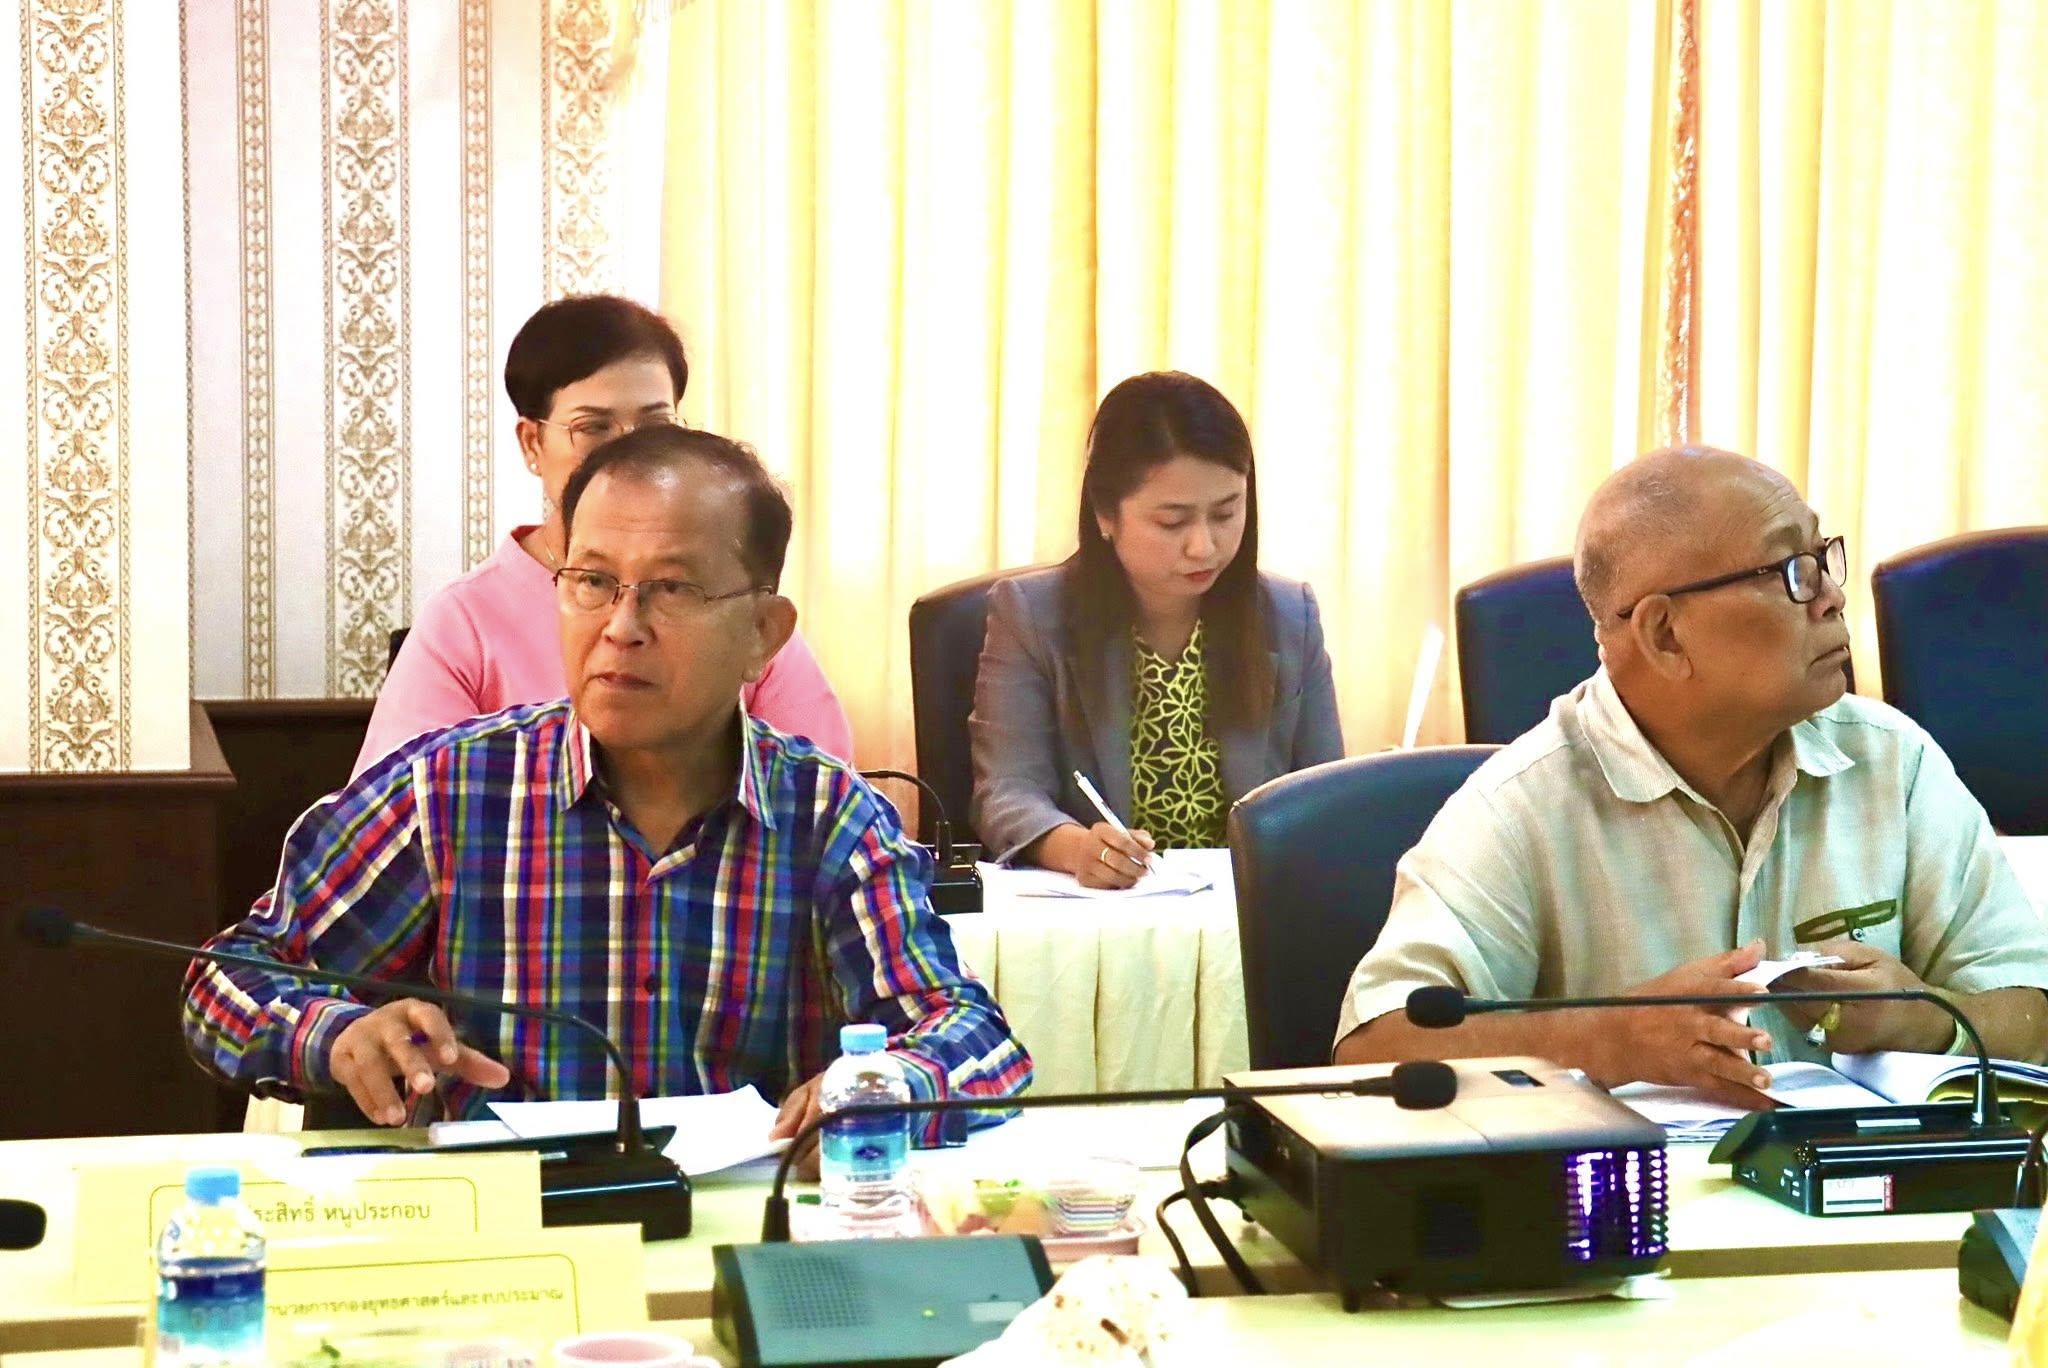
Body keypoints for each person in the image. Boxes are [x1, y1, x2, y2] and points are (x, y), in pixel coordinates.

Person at [185, 425, 1029, 1167]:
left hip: (740, 1231)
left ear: (762, 635)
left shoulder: (827, 817)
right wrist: (335, 1035)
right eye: (591, 581)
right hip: (505, 1233)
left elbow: (973, 1038)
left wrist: (891, 1081)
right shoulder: (448, 792)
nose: (621, 627)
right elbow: (225, 984)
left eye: (674, 589)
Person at [1333, 447, 2048, 1106]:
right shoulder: (1521, 806)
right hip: (1630, 1199)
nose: (1831, 596)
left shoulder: (1892, 762)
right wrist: (1609, 1040)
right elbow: (1376, 1047)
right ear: (1664, 633)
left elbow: (2032, 1006)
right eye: (1792, 572)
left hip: (1867, 1190)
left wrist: (1925, 1020)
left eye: (1822, 558)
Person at [355, 295, 854, 775]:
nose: (630, 452)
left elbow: (816, 790)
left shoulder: (731, 600)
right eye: (593, 427)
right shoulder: (463, 622)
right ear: (532, 443)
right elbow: (395, 812)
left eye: (655, 424)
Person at [970, 371, 1343, 888]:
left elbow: (1325, 792)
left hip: (1250, 909)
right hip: (1106, 910)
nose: (1203, 546)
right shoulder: (1031, 614)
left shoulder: (1289, 615)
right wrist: (1078, 849)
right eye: (1173, 521)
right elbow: (1007, 791)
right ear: (1105, 514)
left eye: (1226, 513)